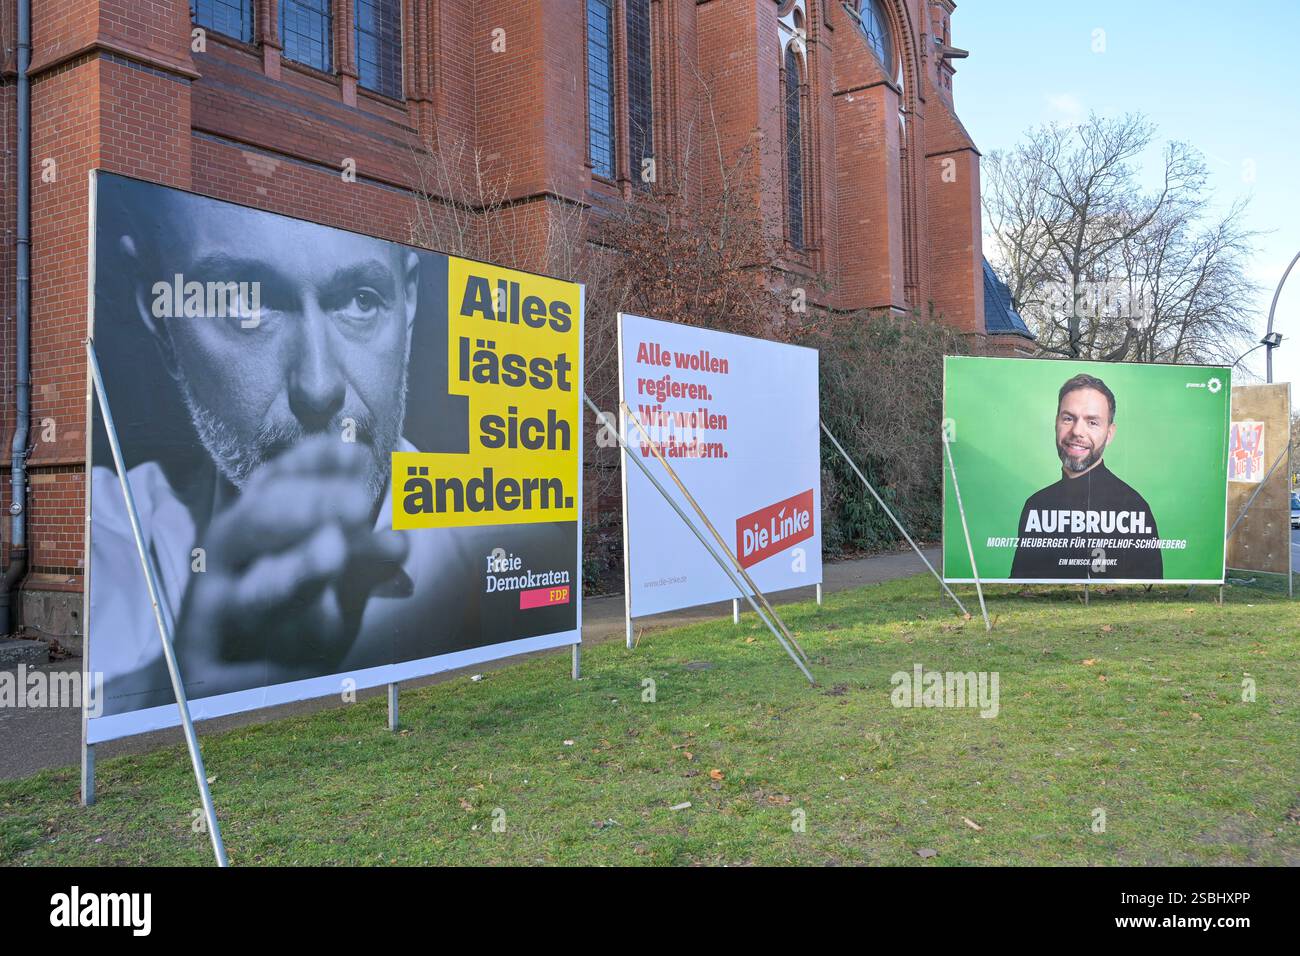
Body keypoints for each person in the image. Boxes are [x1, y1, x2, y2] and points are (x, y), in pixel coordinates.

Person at [91, 184, 474, 712]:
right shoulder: (105, 541)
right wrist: (170, 687)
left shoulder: (503, 538)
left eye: (361, 300)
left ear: (408, 300)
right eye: (245, 305)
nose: (317, 388)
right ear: (159, 315)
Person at [1009, 373, 1163, 580]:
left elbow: (1146, 589)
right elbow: (1021, 583)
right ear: (1056, 423)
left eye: (1092, 422)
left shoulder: (1133, 507)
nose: (1077, 431)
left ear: (1109, 434)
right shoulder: (1036, 505)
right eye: (1068, 418)